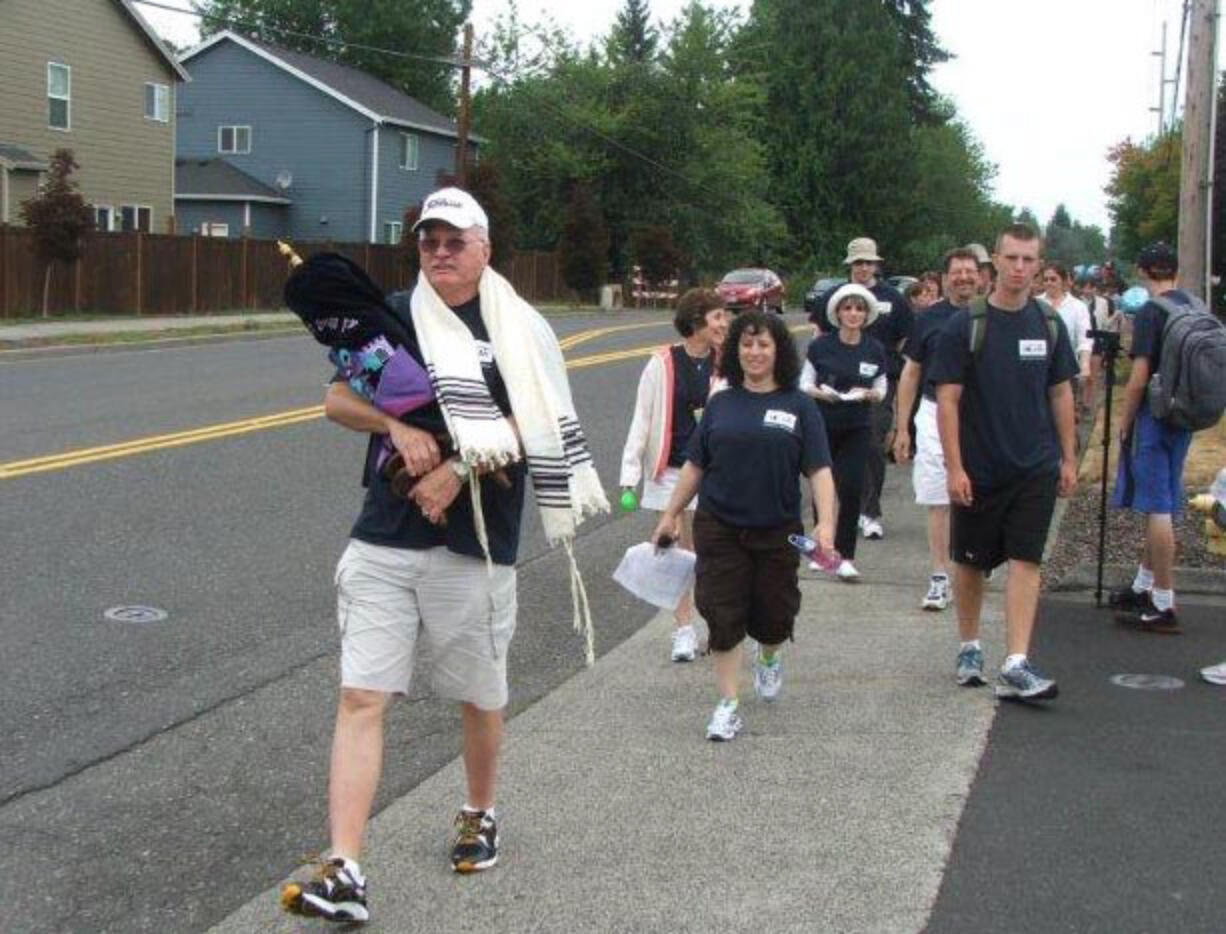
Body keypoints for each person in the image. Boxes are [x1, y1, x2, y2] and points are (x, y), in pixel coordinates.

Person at [280, 188, 607, 923]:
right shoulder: (393, 315)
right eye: (429, 239)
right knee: (362, 694)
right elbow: (339, 399)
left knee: (478, 693)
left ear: (485, 248)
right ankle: (346, 867)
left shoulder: (522, 329)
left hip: (476, 542)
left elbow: (544, 422)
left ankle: (479, 810)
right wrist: (394, 429)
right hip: (385, 534)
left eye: (455, 239)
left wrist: (457, 467)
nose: (440, 251)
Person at [652, 310, 836, 741]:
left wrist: (825, 524)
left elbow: (821, 471)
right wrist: (671, 512)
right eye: (747, 344)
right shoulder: (721, 403)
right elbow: (696, 465)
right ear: (735, 351)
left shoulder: (799, 405)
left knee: (775, 614)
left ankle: (769, 657)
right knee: (722, 611)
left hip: (777, 529)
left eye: (764, 344)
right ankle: (728, 703)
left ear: (779, 351)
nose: (755, 352)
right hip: (720, 525)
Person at [929, 223, 1078, 701]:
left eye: (1028, 260)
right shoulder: (966, 325)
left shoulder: (1048, 324)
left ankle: (1016, 661)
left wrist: (1068, 457)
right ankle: (970, 644)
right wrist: (954, 467)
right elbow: (947, 400)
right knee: (971, 564)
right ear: (995, 262)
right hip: (980, 467)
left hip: (1034, 465)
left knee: (1026, 559)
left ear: (1039, 265)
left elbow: (1061, 393)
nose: (1019, 268)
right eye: (1011, 258)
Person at [619, 288, 729, 661]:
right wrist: (629, 473)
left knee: (707, 551)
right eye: (717, 317)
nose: (723, 323)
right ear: (697, 320)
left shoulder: (726, 365)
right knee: (676, 551)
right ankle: (683, 630)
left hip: (711, 473)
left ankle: (714, 622)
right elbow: (641, 419)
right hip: (668, 471)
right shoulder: (662, 363)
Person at [1108, 242, 1196, 634]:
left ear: (1144, 271)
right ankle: (1144, 584)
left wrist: (1125, 421)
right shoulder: (1194, 306)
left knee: (1158, 507)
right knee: (1163, 497)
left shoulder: (1150, 312)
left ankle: (1163, 601)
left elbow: (1139, 376)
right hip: (1185, 414)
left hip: (1154, 416)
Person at [892, 247, 980, 611]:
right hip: (932, 412)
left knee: (978, 496)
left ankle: (974, 566)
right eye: (956, 272)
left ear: (980, 276)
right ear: (944, 279)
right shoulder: (928, 319)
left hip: (980, 416)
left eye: (969, 271)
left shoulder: (991, 315)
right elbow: (911, 373)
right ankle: (940, 576)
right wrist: (902, 428)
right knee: (938, 498)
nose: (963, 277)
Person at [814, 236, 912, 541]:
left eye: (869, 262)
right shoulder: (832, 296)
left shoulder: (893, 299)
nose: (864, 267)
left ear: (876, 265)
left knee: (871, 445)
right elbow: (818, 333)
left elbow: (904, 339)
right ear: (850, 265)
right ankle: (836, 511)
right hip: (834, 388)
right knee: (832, 450)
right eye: (859, 262)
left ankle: (870, 512)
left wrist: (882, 366)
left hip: (876, 385)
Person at [800, 283, 887, 580]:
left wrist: (873, 395)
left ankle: (845, 555)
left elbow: (881, 386)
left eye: (859, 308)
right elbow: (804, 383)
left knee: (849, 488)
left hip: (857, 426)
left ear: (866, 314)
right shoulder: (821, 346)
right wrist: (821, 394)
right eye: (847, 308)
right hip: (823, 423)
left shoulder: (874, 348)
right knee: (822, 489)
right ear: (837, 313)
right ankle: (820, 551)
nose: (853, 314)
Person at [1040, 263, 1093, 412]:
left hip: (1066, 371)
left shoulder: (1078, 307)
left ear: (1063, 281)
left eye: (1053, 279)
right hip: (1039, 369)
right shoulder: (1036, 304)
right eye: (1046, 279)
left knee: (1065, 415)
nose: (1049, 283)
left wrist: (1085, 364)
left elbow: (1085, 338)